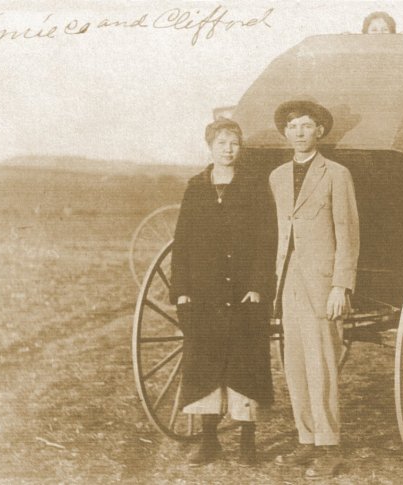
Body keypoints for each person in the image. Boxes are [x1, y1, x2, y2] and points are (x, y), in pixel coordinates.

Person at [170, 118, 275, 467]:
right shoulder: (196, 187)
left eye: (233, 144)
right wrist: (182, 290)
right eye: (222, 144)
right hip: (204, 294)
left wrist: (259, 286)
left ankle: (248, 443)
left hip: (245, 294)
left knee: (245, 364)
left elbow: (266, 241)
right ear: (210, 147)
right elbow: (182, 242)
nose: (228, 150)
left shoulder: (255, 186)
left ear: (239, 148)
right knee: (204, 364)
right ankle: (210, 440)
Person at [269, 100, 360, 479]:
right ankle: (306, 438)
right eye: (294, 127)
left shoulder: (336, 174)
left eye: (307, 126)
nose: (301, 132)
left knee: (322, 361)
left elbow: (347, 232)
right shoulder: (275, 177)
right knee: (295, 362)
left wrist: (341, 285)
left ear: (319, 132)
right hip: (287, 280)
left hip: (323, 282)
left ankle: (329, 445)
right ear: (286, 133)